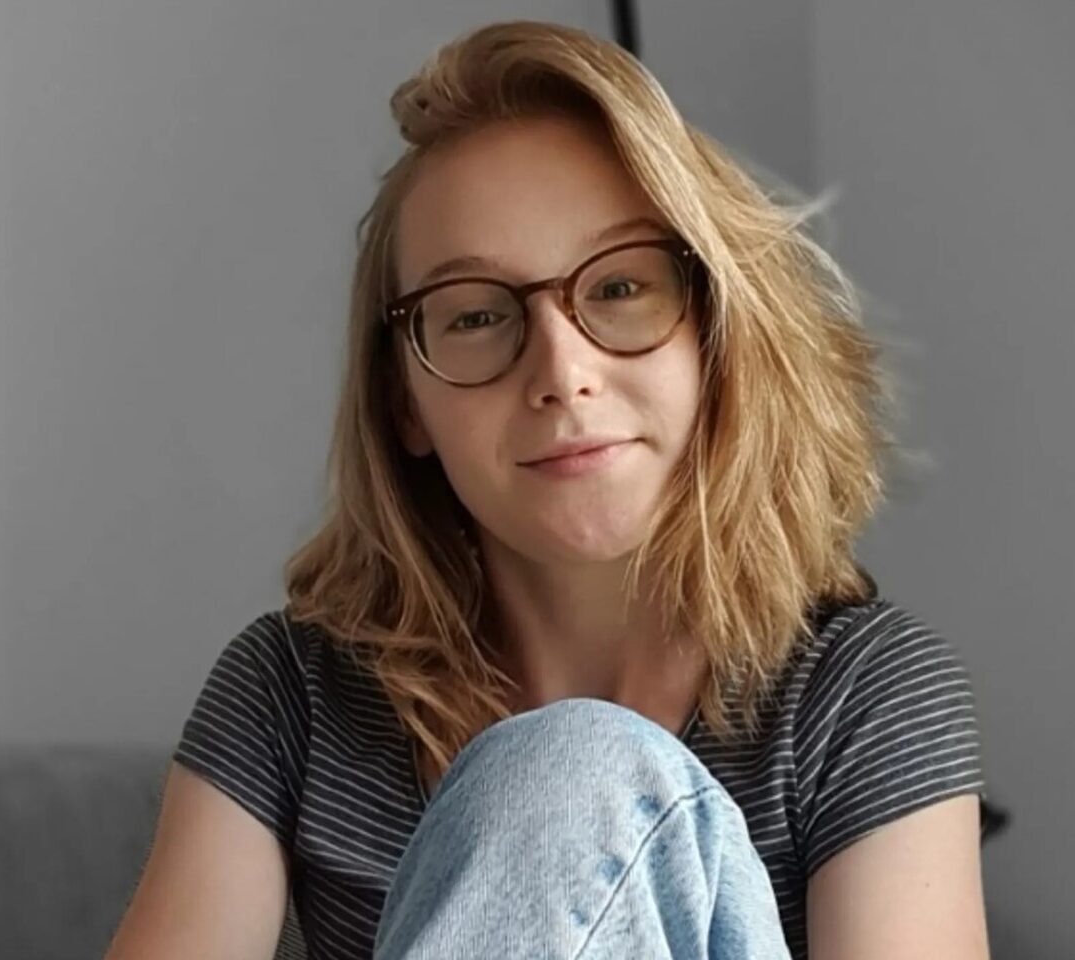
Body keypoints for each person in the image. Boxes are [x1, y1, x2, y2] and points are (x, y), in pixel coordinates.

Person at [106, 19, 991, 960]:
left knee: (575, 766)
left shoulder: (864, 695)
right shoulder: (291, 693)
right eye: (475, 315)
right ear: (406, 404)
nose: (562, 373)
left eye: (620, 289)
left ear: (717, 340)